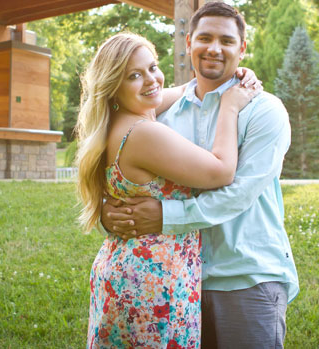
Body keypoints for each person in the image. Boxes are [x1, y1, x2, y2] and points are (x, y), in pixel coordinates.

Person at [103, 2, 299, 349]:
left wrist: (164, 217)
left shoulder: (264, 111)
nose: (214, 48)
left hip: (247, 278)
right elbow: (130, 167)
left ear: (242, 49)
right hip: (179, 281)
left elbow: (237, 193)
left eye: (226, 41)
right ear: (189, 42)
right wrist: (111, 208)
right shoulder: (160, 113)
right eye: (205, 38)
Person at [76, 32, 260, 348]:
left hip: (127, 269)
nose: (151, 80)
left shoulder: (117, 122)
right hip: (153, 282)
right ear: (114, 88)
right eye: (134, 75)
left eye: (153, 67)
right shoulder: (143, 133)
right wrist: (229, 106)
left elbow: (171, 92)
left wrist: (228, 78)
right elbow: (221, 171)